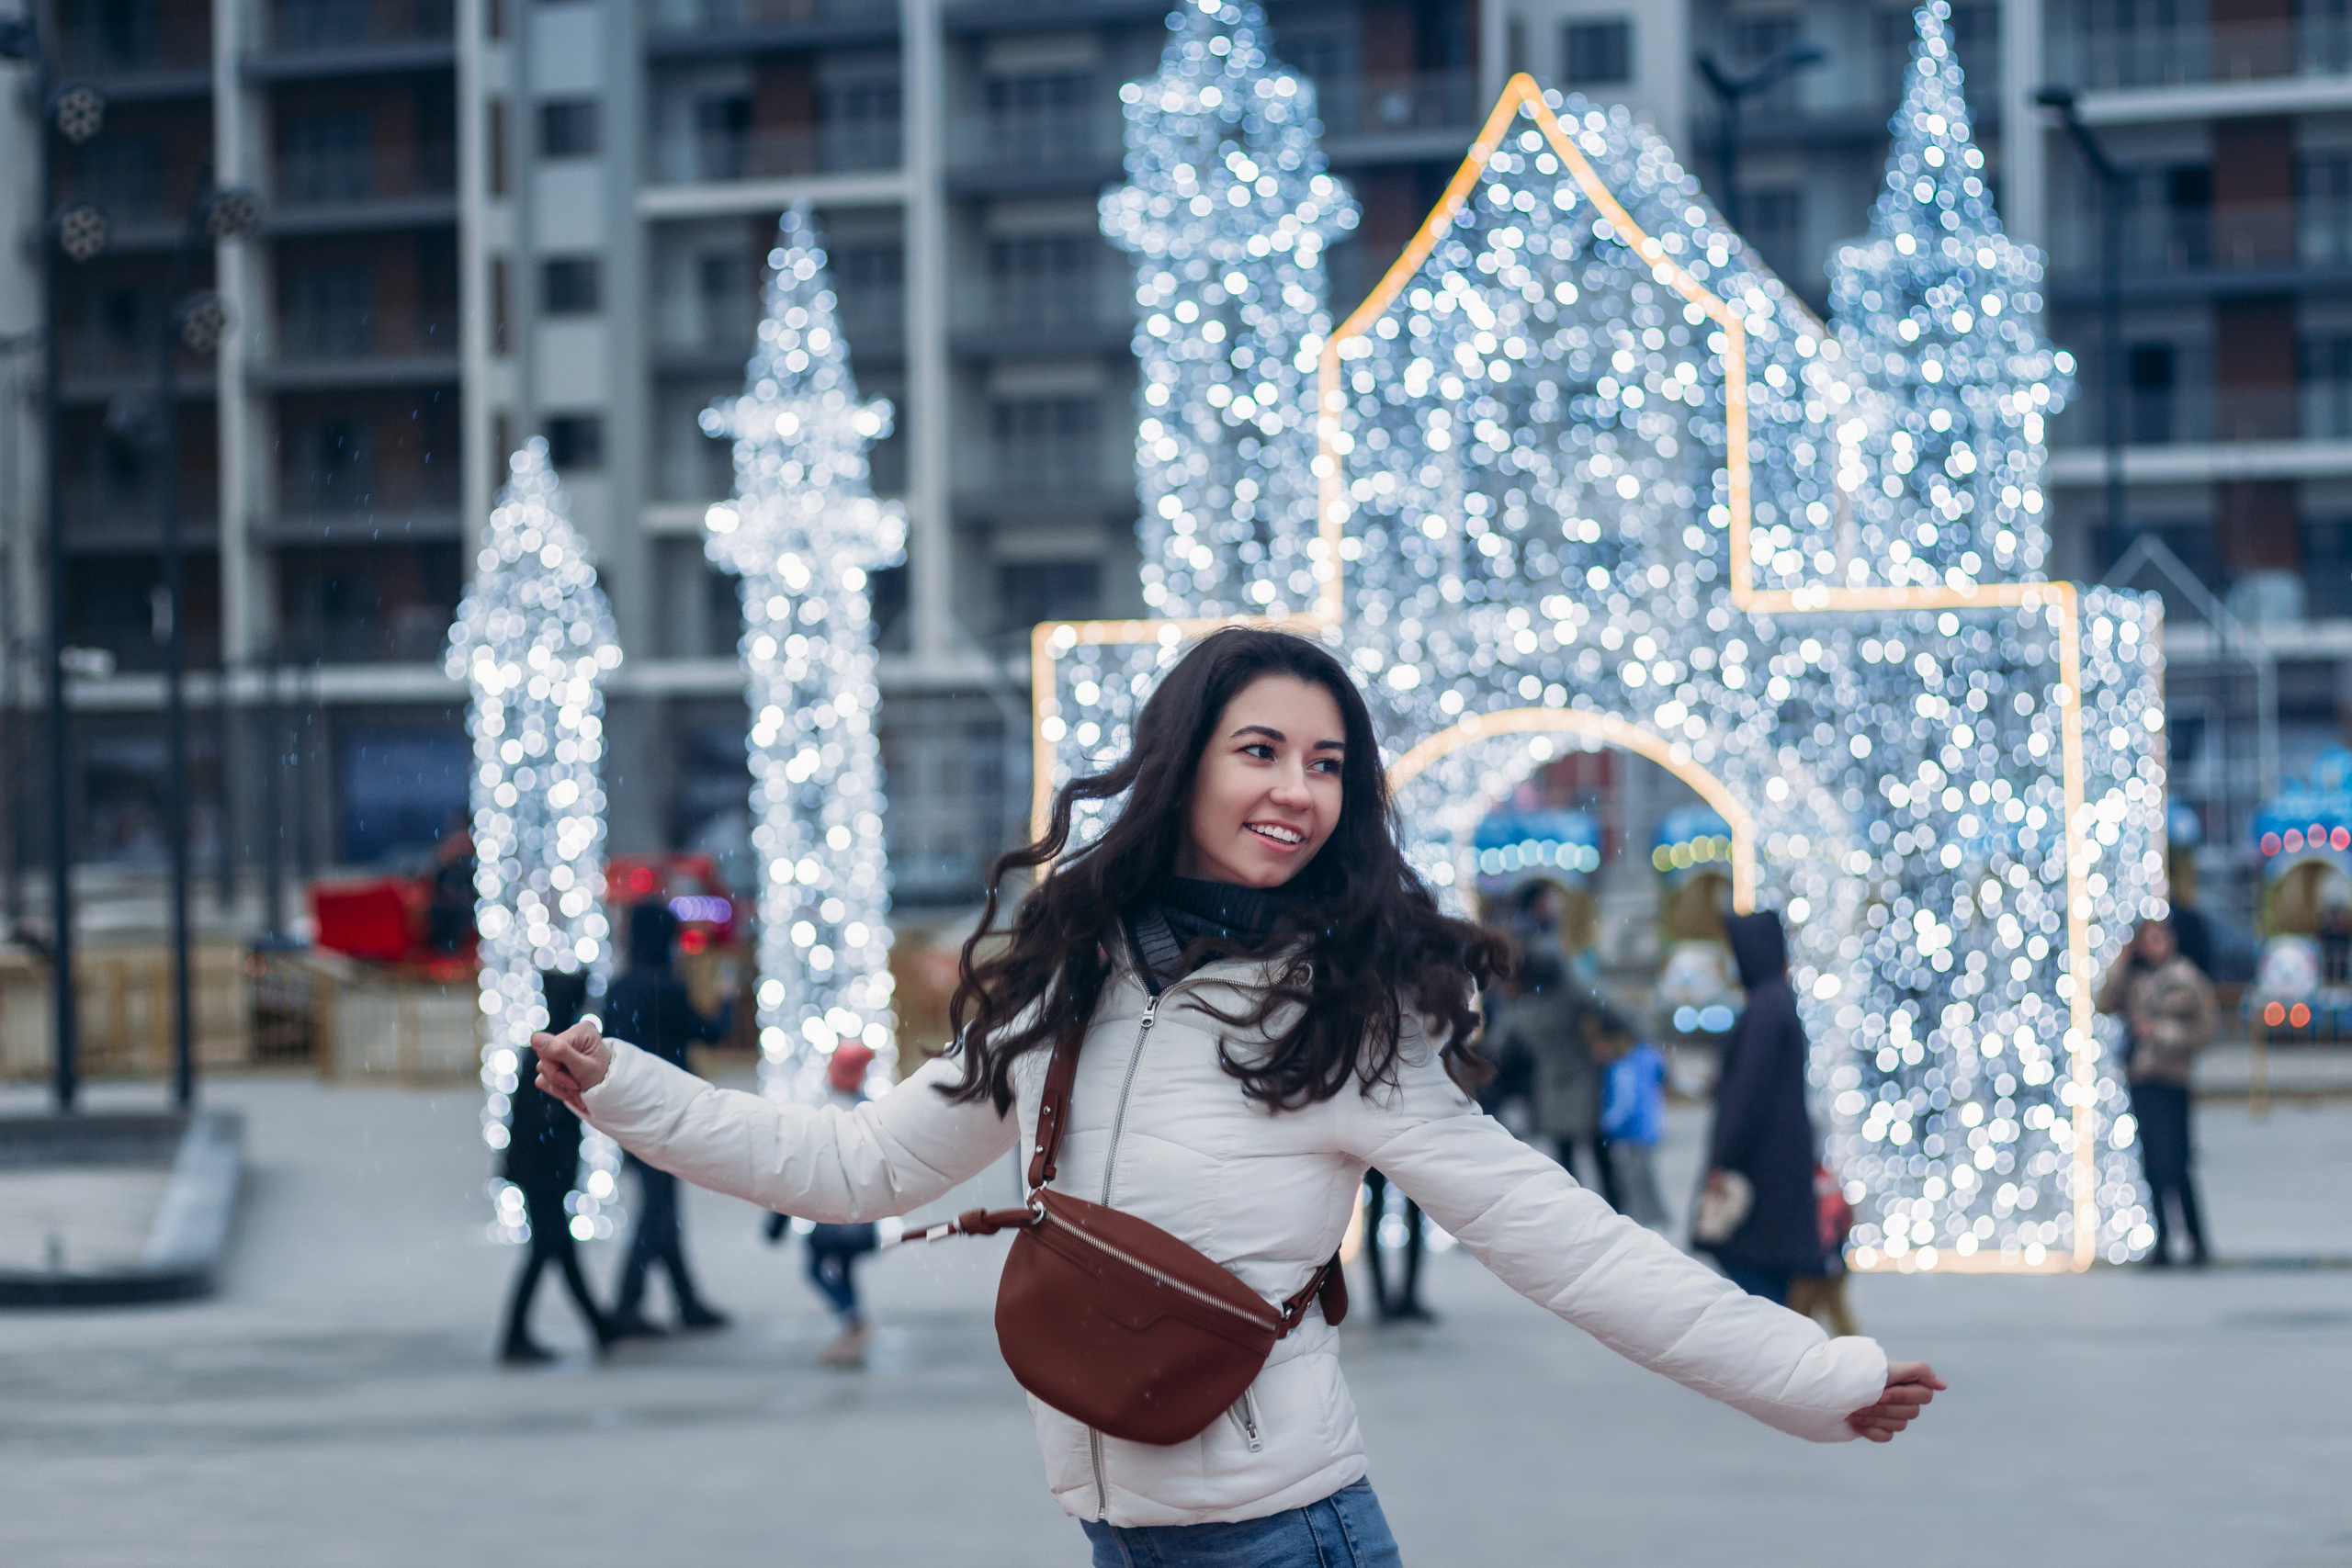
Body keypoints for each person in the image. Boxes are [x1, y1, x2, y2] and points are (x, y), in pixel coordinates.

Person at [533, 628, 1942, 1562]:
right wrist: (626, 1088)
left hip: (1280, 1533)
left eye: (1328, 764)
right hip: (1113, 1526)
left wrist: (1817, 1376)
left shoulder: (1346, 1016)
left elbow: (1566, 1240)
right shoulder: (1064, 981)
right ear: (1184, 760)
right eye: (1261, 749)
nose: (1297, 789)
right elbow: (857, 1169)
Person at [604, 899, 736, 1336]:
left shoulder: (620, 987)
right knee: (658, 1207)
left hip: (628, 1108)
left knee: (662, 1205)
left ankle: (683, 1300)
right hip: (668, 1108)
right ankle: (629, 1302)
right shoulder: (664, 986)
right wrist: (726, 999)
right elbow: (709, 1033)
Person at [1699, 910, 1823, 1306]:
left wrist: (1722, 1159)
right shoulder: (1777, 1000)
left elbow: (1748, 1094)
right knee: (1766, 1281)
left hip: (1762, 1167)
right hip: (1778, 1162)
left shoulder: (1764, 1008)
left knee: (1756, 1282)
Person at [496, 970, 615, 1364]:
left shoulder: (544, 1048)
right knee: (548, 1250)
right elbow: (547, 1120)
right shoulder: (554, 1054)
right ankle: (517, 1336)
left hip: (540, 1170)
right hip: (543, 1173)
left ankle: (598, 1326)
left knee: (557, 1251)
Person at [2097, 919, 2217, 1266]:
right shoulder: (2136, 980)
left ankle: (2196, 1240)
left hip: (2172, 1077)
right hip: (2142, 1076)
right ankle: (2163, 1238)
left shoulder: (2185, 978)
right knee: (2152, 1162)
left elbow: (2206, 1030)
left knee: (2177, 1161)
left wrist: (2160, 1033)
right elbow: (2104, 1003)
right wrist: (2120, 963)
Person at [1485, 926, 1630, 1208]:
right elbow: (1607, 1007)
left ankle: (1590, 1209)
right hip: (1566, 1078)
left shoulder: (1535, 1000)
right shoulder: (1545, 996)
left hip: (1570, 1078)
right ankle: (1596, 1209)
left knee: (1581, 1151)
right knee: (1585, 1150)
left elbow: (1498, 1044)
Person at [765, 1042, 885, 1367]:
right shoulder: (868, 1112)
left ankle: (854, 1321)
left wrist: (776, 1221)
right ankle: (853, 1324)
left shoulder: (824, 1117)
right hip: (861, 1213)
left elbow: (797, 1170)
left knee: (817, 1268)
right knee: (841, 1269)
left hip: (833, 1215)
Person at [1598, 1032, 1668, 1229]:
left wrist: (1607, 1123)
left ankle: (1639, 1218)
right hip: (1649, 1128)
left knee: (1631, 1179)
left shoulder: (1623, 1066)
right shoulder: (1648, 1057)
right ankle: (1657, 1215)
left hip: (1631, 1132)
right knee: (1646, 1175)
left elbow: (1624, 1102)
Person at [1358, 1168, 1432, 1324]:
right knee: (1413, 1216)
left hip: (1386, 1150)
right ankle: (1390, 1299)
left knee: (1378, 1212)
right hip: (1405, 1150)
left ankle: (1390, 1299)